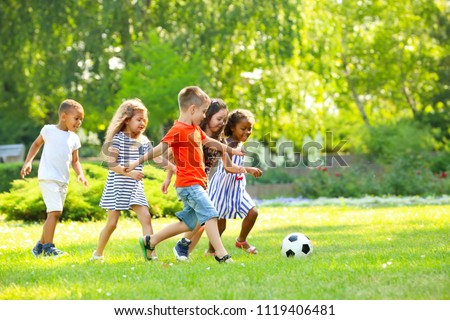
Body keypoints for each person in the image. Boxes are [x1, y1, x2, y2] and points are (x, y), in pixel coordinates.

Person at [126, 86, 244, 263]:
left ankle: (151, 240)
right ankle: (221, 254)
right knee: (210, 214)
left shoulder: (195, 129)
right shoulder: (178, 129)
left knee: (189, 224)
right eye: (203, 112)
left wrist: (229, 150)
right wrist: (136, 162)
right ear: (192, 109)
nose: (204, 116)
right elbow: (160, 149)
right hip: (189, 184)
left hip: (197, 183)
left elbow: (209, 141)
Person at [91, 99, 175, 262]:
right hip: (117, 186)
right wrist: (129, 173)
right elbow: (111, 163)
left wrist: (173, 167)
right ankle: (98, 254)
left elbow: (156, 158)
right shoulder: (118, 138)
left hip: (135, 188)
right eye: (138, 119)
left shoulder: (143, 141)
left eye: (144, 120)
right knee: (112, 224)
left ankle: (152, 255)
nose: (142, 123)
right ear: (127, 120)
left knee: (146, 218)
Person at [20, 99, 89, 257]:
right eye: (76, 118)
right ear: (64, 116)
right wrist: (28, 162)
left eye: (81, 120)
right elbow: (36, 144)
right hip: (48, 177)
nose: (79, 122)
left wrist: (80, 175)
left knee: (54, 213)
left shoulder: (74, 139)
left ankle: (39, 246)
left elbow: (75, 160)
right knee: (55, 212)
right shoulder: (48, 130)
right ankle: (48, 248)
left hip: (62, 180)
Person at [207, 109, 262, 255]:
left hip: (237, 188)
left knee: (253, 212)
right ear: (232, 128)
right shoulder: (228, 144)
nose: (247, 132)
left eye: (250, 128)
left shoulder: (239, 144)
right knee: (220, 224)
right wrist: (248, 169)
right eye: (243, 128)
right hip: (222, 187)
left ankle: (241, 241)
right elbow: (228, 168)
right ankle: (211, 251)